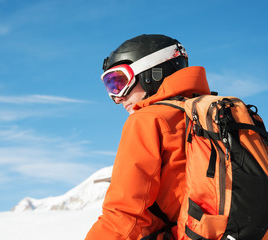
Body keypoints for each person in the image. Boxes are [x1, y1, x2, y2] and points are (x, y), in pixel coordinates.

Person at [85, 34, 211, 240]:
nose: (118, 98)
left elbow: (123, 216)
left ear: (152, 73)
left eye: (119, 82)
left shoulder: (147, 120)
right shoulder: (215, 116)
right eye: (110, 87)